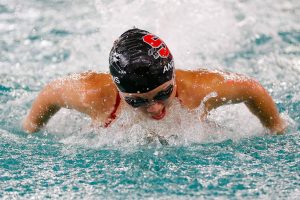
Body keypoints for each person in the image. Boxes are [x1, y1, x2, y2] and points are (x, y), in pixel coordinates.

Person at [23, 28, 286, 134]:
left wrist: (275, 129)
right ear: (118, 89)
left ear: (173, 77)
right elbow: (51, 92)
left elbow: (253, 89)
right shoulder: (93, 94)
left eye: (163, 94)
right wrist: (30, 131)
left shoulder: (199, 90)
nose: (154, 108)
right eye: (136, 101)